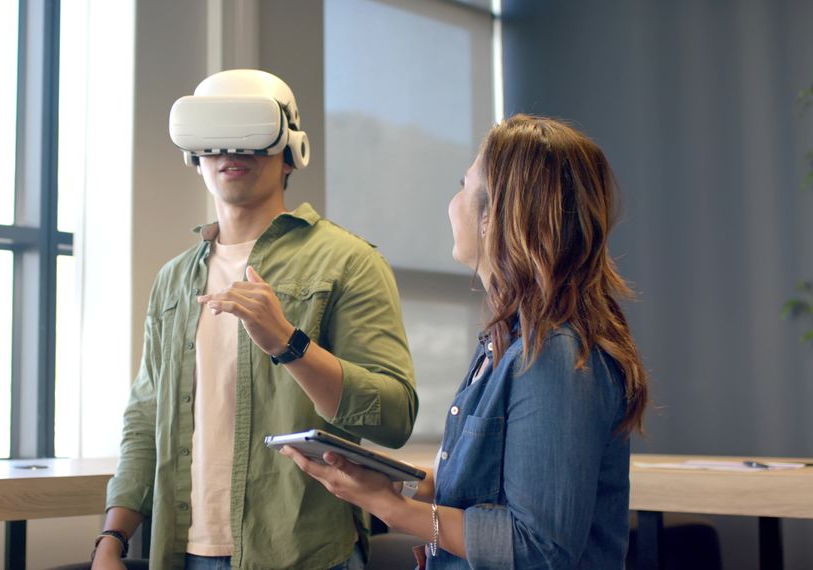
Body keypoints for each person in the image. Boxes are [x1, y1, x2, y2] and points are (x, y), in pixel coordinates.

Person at [282, 114, 650, 569]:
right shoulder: (506, 344)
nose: (452, 202)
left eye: (463, 185)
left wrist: (396, 509)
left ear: (494, 215)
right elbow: (489, 487)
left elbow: (539, 548)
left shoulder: (555, 355)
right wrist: (401, 488)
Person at [91, 69, 418, 570]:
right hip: (184, 552)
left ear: (290, 151)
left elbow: (395, 417)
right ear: (194, 153)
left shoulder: (348, 261)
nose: (230, 151)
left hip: (305, 554)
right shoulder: (174, 279)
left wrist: (290, 343)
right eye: (214, 136)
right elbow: (145, 418)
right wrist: (112, 539)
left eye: (249, 134)